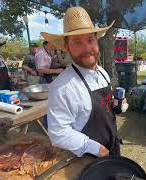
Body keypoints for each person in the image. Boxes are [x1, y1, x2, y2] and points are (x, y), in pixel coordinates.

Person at [41, 6, 128, 158]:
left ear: (97, 40)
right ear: (67, 47)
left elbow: (104, 106)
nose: (87, 48)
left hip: (112, 147)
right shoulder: (62, 88)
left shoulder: (102, 72)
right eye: (77, 43)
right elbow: (58, 133)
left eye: (90, 40)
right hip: (87, 158)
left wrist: (117, 105)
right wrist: (94, 148)